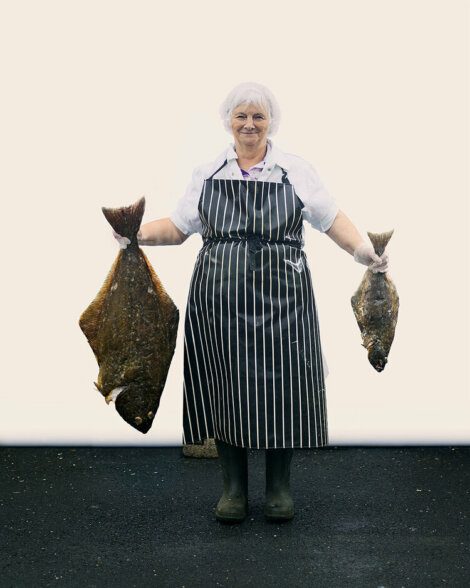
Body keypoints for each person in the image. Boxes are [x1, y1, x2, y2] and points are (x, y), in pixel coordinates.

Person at [113, 82, 388, 524]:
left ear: (270, 122)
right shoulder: (207, 173)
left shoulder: (295, 171)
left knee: (285, 387)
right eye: (241, 116)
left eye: (258, 117)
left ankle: (279, 489)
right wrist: (136, 234)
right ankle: (233, 490)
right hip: (217, 298)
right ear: (229, 121)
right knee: (224, 386)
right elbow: (180, 229)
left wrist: (362, 251)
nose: (249, 124)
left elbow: (331, 219)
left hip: (285, 297)